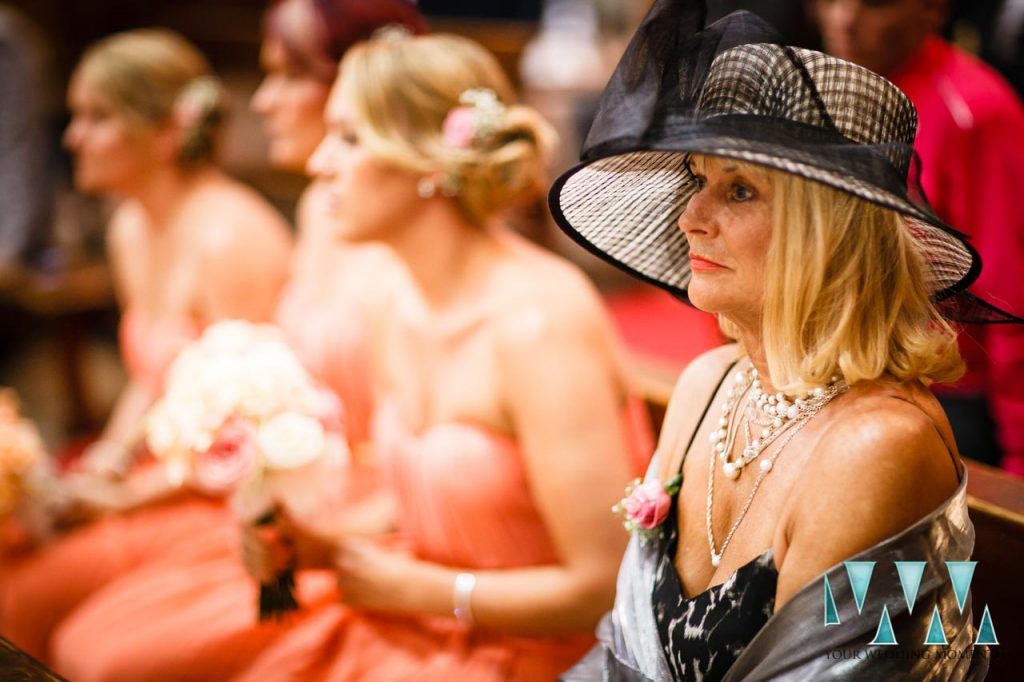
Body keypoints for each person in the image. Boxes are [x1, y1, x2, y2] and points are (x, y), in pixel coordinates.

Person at [550, 1, 1010, 678]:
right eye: (698, 180)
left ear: (826, 237)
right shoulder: (709, 383)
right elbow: (622, 651)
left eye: (739, 192)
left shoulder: (881, 445)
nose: (690, 216)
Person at [223, 31, 652, 681]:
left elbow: (603, 586)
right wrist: (318, 544)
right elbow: (437, 497)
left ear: (427, 160)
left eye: (349, 137)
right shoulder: (392, 297)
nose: (318, 164)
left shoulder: (536, 329)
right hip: (423, 625)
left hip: (539, 653)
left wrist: (426, 592)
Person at [47, 3, 430, 680]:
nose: (262, 101)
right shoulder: (320, 209)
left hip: (357, 508)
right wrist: (113, 457)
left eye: (286, 77)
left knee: (95, 648)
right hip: (295, 489)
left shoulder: (395, 256)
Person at [0, 28, 293, 662]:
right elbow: (152, 374)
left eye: (96, 117)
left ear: (163, 132)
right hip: (155, 469)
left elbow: (261, 423)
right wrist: (109, 454)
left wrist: (126, 497)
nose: (72, 137)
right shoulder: (131, 224)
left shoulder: (228, 238)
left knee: (19, 592)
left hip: (222, 498)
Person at [811, 0, 1024, 475]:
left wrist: (1019, 456)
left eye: (876, 5)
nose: (844, 18)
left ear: (931, 11)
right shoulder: (826, 90)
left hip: (947, 397)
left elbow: (1008, 295)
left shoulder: (974, 110)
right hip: (841, 379)